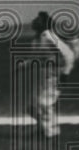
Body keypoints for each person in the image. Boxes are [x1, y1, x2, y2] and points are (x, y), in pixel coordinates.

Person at [28, 11, 75, 139]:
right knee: (33, 106)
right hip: (41, 76)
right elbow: (36, 58)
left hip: (52, 75)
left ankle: (50, 132)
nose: (35, 21)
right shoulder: (37, 39)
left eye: (38, 20)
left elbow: (69, 54)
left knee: (44, 103)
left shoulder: (49, 36)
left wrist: (65, 73)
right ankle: (45, 128)